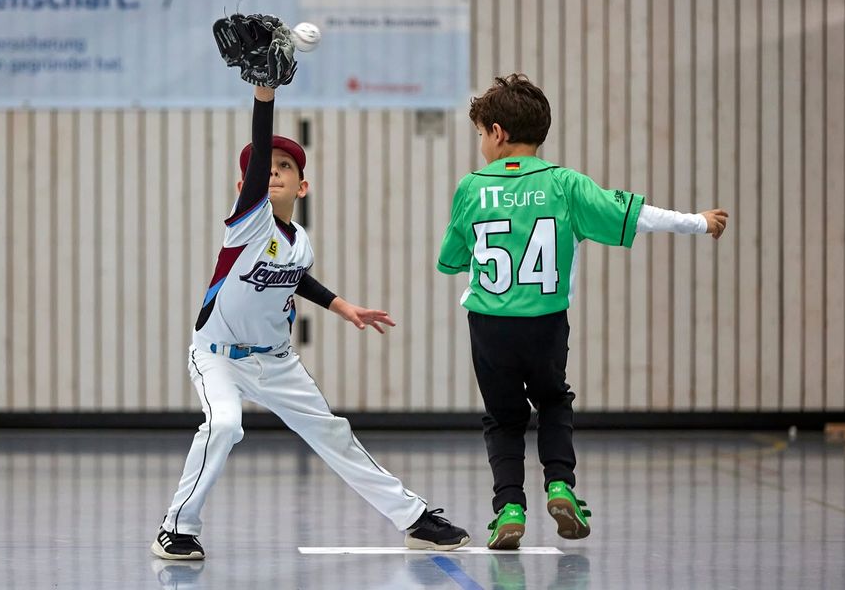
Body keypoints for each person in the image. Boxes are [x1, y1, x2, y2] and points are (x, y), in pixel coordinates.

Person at [151, 66, 469, 561]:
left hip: (277, 362)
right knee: (225, 425)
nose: (272, 171)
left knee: (332, 433)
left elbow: (296, 277)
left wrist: (343, 307)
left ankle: (414, 518)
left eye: (284, 166)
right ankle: (176, 526)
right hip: (217, 357)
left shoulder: (299, 243)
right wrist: (265, 92)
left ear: (303, 187)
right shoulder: (246, 224)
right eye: (264, 167)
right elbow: (258, 162)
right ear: (247, 185)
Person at [436, 73, 728, 549]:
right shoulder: (566, 185)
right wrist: (699, 222)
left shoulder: (471, 187)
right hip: (546, 322)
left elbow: (450, 261)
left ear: (497, 133)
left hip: (489, 325)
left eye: (480, 135)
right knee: (553, 400)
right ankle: (559, 484)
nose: (481, 145)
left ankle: (509, 507)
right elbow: (636, 215)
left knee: (503, 417)